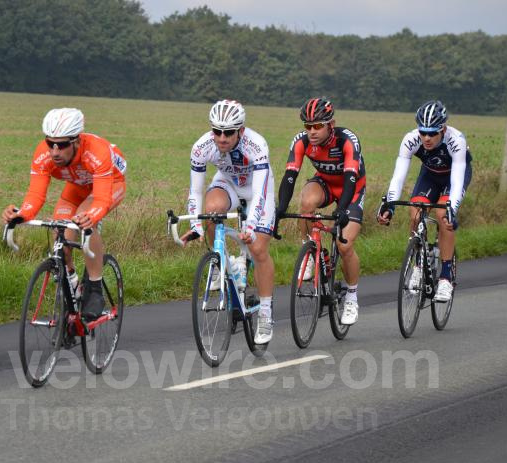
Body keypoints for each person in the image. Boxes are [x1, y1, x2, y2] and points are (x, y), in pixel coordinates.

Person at [2, 108, 126, 320]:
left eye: (62, 145)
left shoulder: (97, 151)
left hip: (110, 184)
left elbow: (102, 200)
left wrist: (91, 217)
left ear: (76, 141)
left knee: (85, 218)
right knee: (60, 230)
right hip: (77, 186)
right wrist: (22, 215)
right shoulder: (43, 154)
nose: (55, 151)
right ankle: (73, 284)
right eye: (50, 144)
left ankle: (95, 288)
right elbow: (35, 195)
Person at [180, 99, 276, 345]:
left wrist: (251, 226)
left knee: (257, 248)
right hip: (229, 183)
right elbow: (196, 191)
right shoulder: (202, 147)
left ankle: (265, 312)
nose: (221, 138)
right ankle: (221, 263)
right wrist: (195, 224)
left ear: (240, 131)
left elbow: (261, 192)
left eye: (229, 132)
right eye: (217, 131)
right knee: (211, 211)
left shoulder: (256, 145)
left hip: (256, 189)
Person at [276, 97, 366, 326]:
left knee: (344, 245)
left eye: (317, 126)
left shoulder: (347, 140)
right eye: (307, 126)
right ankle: (310, 251)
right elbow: (289, 177)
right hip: (325, 183)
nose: (312, 131)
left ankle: (352, 296)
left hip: (351, 189)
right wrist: (280, 210)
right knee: (306, 202)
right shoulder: (301, 142)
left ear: (330, 124)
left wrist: (343, 210)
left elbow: (351, 178)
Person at [377, 100, 472, 302]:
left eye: (432, 133)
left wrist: (451, 210)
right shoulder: (410, 139)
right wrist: (390, 205)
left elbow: (456, 181)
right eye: (423, 132)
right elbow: (399, 176)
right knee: (415, 211)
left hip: (454, 177)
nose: (426, 138)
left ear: (443, 129)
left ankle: (446, 277)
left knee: (442, 215)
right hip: (430, 175)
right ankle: (418, 264)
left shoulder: (456, 140)